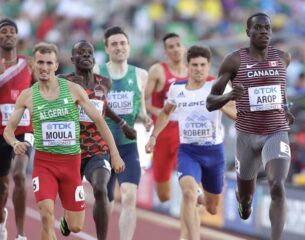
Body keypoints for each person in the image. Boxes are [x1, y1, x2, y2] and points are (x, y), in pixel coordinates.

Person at [3, 42, 125, 240]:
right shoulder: (27, 96)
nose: (44, 67)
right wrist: (15, 143)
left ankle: (66, 221)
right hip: (44, 164)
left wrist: (115, 153)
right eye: (40, 62)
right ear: (34, 65)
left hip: (71, 164)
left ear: (56, 66)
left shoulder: (73, 90)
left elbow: (99, 121)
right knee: (46, 215)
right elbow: (9, 130)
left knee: (76, 226)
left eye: (49, 63)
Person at [206, 13, 295, 240]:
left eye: (267, 28)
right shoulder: (234, 61)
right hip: (246, 137)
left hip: (276, 133)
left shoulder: (283, 58)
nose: (264, 32)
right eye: (258, 28)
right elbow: (210, 102)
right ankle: (243, 202)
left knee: (277, 185)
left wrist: (284, 109)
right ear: (248, 32)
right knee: (246, 199)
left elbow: (278, 90)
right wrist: (227, 96)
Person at [146, 45, 236, 240]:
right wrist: (153, 136)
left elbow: (236, 113)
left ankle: (204, 197)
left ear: (209, 66)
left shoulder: (217, 86)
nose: (198, 69)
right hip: (188, 151)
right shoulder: (177, 88)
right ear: (188, 66)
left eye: (203, 65)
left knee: (212, 208)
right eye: (194, 65)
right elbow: (165, 113)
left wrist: (219, 103)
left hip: (214, 153)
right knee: (188, 193)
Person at [60, 40, 135, 240]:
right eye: (81, 53)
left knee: (101, 189)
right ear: (72, 59)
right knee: (73, 218)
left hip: (97, 149)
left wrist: (122, 125)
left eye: (89, 53)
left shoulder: (104, 83)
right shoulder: (64, 82)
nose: (86, 56)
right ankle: (67, 217)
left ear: (94, 58)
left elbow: (103, 108)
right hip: (71, 151)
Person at [94, 26, 151, 240]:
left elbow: (140, 110)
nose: (119, 47)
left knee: (129, 196)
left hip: (127, 146)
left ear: (129, 46)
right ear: (107, 48)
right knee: (105, 199)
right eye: (114, 44)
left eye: (123, 43)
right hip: (101, 147)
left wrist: (145, 119)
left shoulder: (140, 74)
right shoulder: (97, 73)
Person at [0, 18, 34, 240]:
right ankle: (2, 221)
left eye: (13, 31)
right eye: (4, 31)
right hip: (2, 131)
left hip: (24, 129)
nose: (9, 35)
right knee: (2, 186)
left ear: (18, 37)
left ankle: (21, 234)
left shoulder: (28, 63)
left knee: (20, 175)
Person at [145, 32, 187, 202]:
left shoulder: (193, 70)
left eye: (178, 45)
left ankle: (191, 206)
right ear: (165, 52)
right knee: (163, 195)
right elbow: (140, 99)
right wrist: (154, 112)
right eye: (171, 47)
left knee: (189, 180)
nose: (176, 49)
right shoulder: (158, 70)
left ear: (183, 47)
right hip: (162, 132)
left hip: (184, 132)